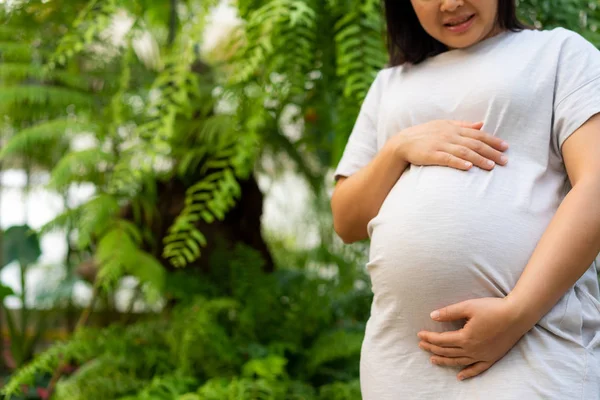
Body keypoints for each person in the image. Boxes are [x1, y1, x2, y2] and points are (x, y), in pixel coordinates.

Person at [330, 0, 600, 398]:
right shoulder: (390, 84)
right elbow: (346, 221)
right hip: (400, 367)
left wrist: (516, 314)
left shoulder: (559, 52)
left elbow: (595, 184)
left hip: (533, 349)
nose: (451, 3)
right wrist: (398, 148)